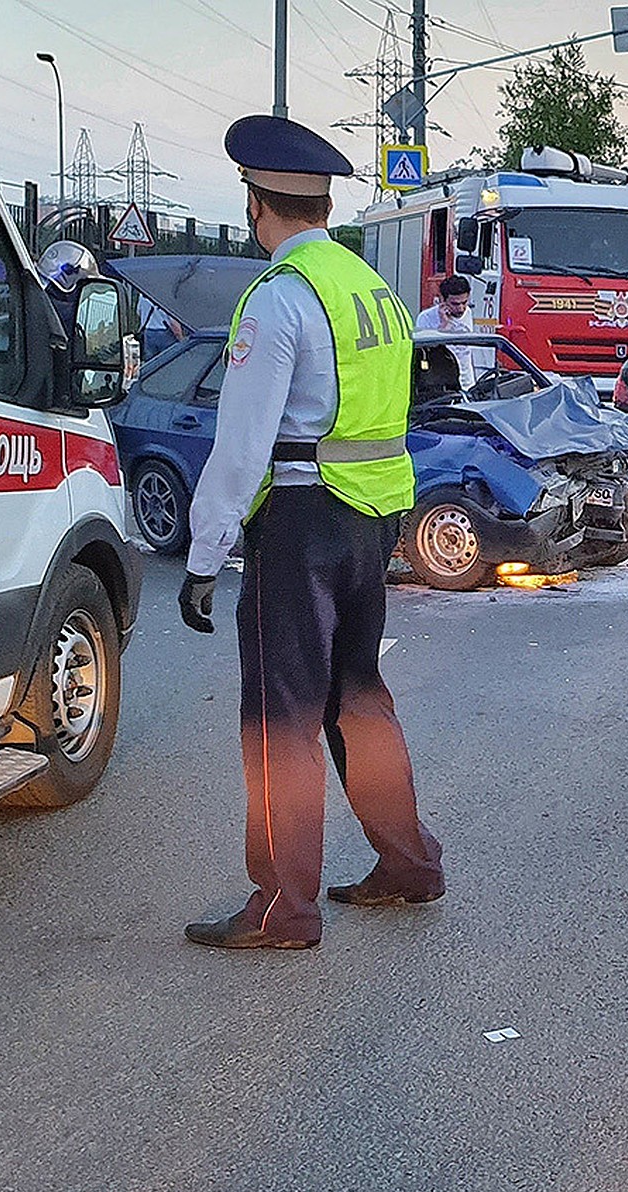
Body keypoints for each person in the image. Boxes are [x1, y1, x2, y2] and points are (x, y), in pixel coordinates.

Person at [178, 114, 444, 951]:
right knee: (358, 698)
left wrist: (204, 553)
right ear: (321, 205)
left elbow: (243, 444)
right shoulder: (369, 289)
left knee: (280, 714)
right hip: (375, 514)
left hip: (301, 517)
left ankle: (281, 908)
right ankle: (408, 863)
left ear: (259, 204)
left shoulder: (282, 296)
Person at [416, 275, 475, 389]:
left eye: (464, 302)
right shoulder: (426, 318)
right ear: (442, 300)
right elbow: (426, 351)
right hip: (440, 385)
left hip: (467, 381)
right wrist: (444, 326)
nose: (461, 308)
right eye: (455, 304)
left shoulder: (467, 313)